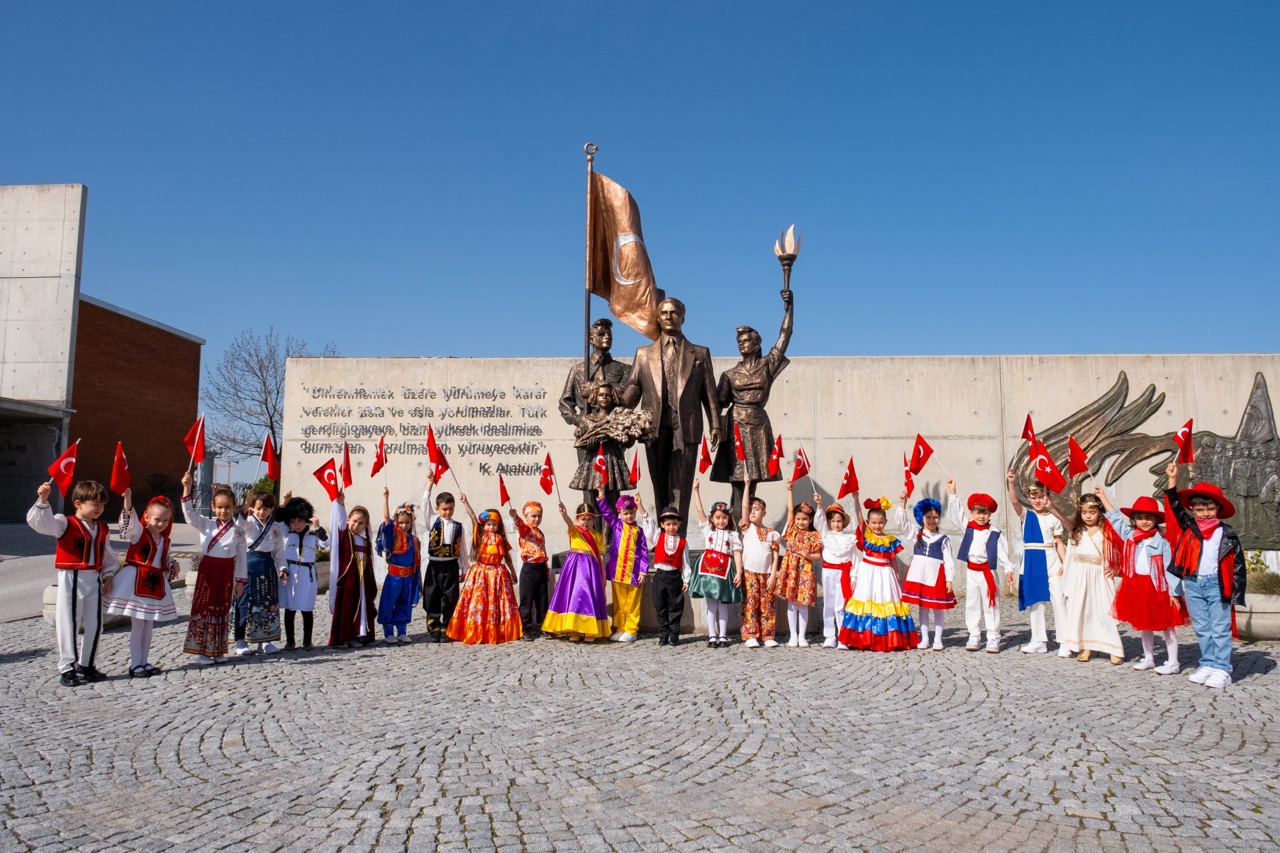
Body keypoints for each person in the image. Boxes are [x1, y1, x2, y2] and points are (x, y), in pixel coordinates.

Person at [620, 297, 720, 536]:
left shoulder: (700, 354)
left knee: (682, 483)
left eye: (674, 312)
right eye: (663, 313)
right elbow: (634, 387)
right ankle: (665, 538)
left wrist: (716, 424)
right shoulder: (643, 354)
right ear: (657, 317)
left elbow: (710, 393)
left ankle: (679, 537)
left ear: (683, 317)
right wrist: (616, 406)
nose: (668, 316)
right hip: (654, 427)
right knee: (659, 481)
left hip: (687, 425)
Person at [709, 289, 794, 520]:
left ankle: (748, 524)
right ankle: (733, 525)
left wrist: (789, 308)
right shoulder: (730, 374)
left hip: (758, 425)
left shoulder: (768, 365)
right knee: (737, 482)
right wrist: (715, 428)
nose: (742, 344)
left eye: (747, 341)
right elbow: (717, 403)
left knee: (753, 481)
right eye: (740, 341)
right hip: (736, 425)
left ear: (757, 344)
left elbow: (785, 335)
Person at [1163, 462, 1246, 690]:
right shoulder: (1189, 527)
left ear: (1217, 509)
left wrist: (1237, 594)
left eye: (1210, 509)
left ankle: (1223, 669)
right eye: (1200, 509)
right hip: (1192, 583)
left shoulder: (1226, 533)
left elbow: (1239, 566)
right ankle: (1208, 663)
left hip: (1217, 585)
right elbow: (1174, 507)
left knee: (1220, 628)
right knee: (1202, 627)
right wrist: (1172, 480)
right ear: (1193, 511)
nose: (1205, 513)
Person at [27, 479, 117, 686]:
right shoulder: (64, 522)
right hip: (71, 578)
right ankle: (67, 667)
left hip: (94, 578)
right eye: (94, 504)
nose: (99, 508)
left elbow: (108, 555)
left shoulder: (102, 528)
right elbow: (41, 523)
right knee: (69, 624)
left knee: (95, 625)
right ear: (78, 503)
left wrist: (109, 575)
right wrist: (43, 498)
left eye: (102, 504)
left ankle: (87, 665)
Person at [1097, 488, 1182, 673]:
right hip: (1137, 585)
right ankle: (1149, 657)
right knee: (1144, 624)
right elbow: (1115, 519)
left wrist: (1174, 592)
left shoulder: (1162, 541)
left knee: (1167, 625)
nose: (1144, 521)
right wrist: (1103, 497)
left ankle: (1173, 662)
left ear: (1156, 521)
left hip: (1158, 588)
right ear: (1134, 519)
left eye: (1149, 518)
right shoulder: (1130, 536)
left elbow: (1171, 568)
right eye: (1140, 517)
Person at [106, 489, 181, 677]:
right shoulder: (139, 533)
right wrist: (128, 500)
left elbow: (164, 558)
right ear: (146, 516)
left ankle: (144, 661)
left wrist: (172, 563)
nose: (161, 524)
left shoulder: (165, 539)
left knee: (148, 624)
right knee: (138, 624)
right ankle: (135, 664)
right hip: (136, 581)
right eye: (157, 519)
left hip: (153, 583)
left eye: (165, 520)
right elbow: (128, 523)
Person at [559, 317, 631, 502]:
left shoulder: (623, 370)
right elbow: (565, 404)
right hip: (587, 437)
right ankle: (591, 531)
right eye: (601, 334)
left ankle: (612, 530)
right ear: (591, 340)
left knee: (613, 489)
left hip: (613, 438)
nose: (606, 337)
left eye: (609, 334)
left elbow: (626, 400)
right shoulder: (579, 370)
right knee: (589, 492)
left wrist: (598, 389)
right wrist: (581, 422)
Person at [181, 472, 248, 665]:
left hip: (227, 573)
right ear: (213, 507)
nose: (223, 511)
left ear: (234, 507)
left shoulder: (238, 532)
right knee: (205, 609)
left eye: (227, 507)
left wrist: (240, 581)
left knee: (222, 610)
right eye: (219, 507)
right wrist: (187, 488)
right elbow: (189, 515)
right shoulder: (206, 524)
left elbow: (242, 558)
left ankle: (217, 649)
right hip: (208, 572)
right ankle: (203, 650)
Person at [838, 495, 919, 651]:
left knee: (885, 602)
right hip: (867, 573)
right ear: (868, 523)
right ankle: (860, 637)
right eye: (874, 523)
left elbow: (892, 558)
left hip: (885, 574)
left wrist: (896, 574)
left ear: (886, 523)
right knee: (865, 601)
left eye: (880, 522)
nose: (877, 526)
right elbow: (859, 515)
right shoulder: (866, 535)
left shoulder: (889, 540)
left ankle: (888, 638)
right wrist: (856, 498)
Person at [1054, 490, 1125, 665]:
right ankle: (1085, 646)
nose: (1088, 516)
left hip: (1099, 573)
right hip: (1080, 575)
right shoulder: (1077, 531)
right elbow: (1063, 520)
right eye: (1084, 512)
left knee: (1104, 611)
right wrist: (1051, 507)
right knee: (1082, 610)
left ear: (1099, 512)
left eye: (1092, 512)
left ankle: (1114, 648)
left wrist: (1116, 568)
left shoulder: (1106, 529)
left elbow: (1120, 546)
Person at [1006, 471, 1066, 655]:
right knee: (1036, 603)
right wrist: (1012, 483)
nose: (1038, 500)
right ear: (1030, 499)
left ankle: (1065, 641)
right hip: (1032, 560)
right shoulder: (1026, 515)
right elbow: (1015, 502)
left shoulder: (1054, 518)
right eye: (1034, 497)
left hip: (1052, 561)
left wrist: (1066, 563)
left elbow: (1059, 543)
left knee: (1059, 600)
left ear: (1047, 497)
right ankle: (1038, 640)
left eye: (1041, 496)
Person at [447, 500, 522, 645]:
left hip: (498, 574)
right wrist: (466, 502)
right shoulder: (480, 537)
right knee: (479, 602)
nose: (491, 527)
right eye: (488, 524)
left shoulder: (501, 539)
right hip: (481, 573)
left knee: (498, 603)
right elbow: (473, 518)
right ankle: (476, 630)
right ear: (484, 525)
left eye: (494, 524)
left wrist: (513, 572)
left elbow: (507, 557)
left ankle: (497, 630)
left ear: (498, 525)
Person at [946, 488, 1012, 653]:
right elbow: (956, 514)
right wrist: (953, 492)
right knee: (972, 604)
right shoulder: (968, 527)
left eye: (985, 513)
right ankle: (974, 635)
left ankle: (993, 638)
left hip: (987, 572)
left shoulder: (995, 533)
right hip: (972, 572)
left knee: (991, 604)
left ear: (990, 514)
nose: (981, 516)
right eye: (978, 512)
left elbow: (1002, 554)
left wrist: (1008, 570)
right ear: (972, 512)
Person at [895, 487, 957, 651]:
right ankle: (924, 639)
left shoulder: (943, 538)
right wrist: (902, 504)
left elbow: (949, 560)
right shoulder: (916, 533)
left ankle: (938, 639)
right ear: (922, 518)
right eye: (928, 517)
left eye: (935, 517)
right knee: (922, 607)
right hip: (918, 572)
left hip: (935, 574)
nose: (931, 520)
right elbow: (902, 523)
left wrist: (949, 579)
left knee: (937, 608)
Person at [542, 502, 611, 641]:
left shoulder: (597, 535)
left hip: (591, 567)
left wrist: (602, 574)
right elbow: (568, 523)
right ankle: (574, 630)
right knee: (575, 595)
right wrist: (564, 514)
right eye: (583, 519)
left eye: (589, 519)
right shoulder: (575, 530)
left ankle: (590, 631)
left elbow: (601, 556)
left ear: (593, 520)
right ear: (577, 519)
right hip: (575, 567)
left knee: (589, 596)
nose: (586, 522)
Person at [689, 479, 744, 648]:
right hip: (708, 570)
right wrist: (696, 491)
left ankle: (723, 635)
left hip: (725, 570)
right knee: (711, 604)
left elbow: (736, 553)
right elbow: (699, 510)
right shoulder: (708, 530)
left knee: (724, 605)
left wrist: (739, 572)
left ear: (729, 518)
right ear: (712, 519)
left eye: (724, 518)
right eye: (718, 518)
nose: (721, 521)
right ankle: (712, 635)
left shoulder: (733, 535)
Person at [233, 490, 283, 655]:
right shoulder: (247, 523)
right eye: (259, 508)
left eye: (266, 509)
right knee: (244, 602)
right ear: (253, 508)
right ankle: (240, 640)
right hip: (247, 566)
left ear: (272, 509)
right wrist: (245, 503)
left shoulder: (275, 528)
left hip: (267, 567)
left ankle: (265, 640)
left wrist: (282, 568)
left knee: (267, 603)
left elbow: (279, 552)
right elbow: (238, 522)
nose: (262, 512)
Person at [276, 493, 327, 651]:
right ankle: (290, 641)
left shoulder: (313, 534)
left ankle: (307, 641)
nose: (296, 524)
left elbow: (327, 543)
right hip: (290, 571)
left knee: (307, 608)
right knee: (290, 609)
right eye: (292, 521)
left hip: (307, 573)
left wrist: (318, 527)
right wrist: (283, 503)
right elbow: (277, 519)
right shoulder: (287, 533)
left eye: (299, 520)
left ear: (306, 519)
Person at [422, 471, 468, 641]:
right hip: (434, 565)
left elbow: (462, 548)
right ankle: (434, 629)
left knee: (450, 598)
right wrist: (430, 483)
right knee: (432, 596)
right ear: (437, 509)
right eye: (444, 509)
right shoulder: (432, 520)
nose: (448, 512)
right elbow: (424, 502)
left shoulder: (458, 527)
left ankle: (448, 628)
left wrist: (464, 568)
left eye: (450, 509)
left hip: (451, 565)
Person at [598, 491, 651, 643]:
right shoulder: (616, 525)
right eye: (626, 513)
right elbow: (606, 512)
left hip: (633, 573)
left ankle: (631, 629)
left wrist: (643, 571)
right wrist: (601, 494)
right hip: (617, 572)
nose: (629, 516)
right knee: (620, 602)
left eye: (632, 513)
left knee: (633, 602)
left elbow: (643, 552)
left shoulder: (639, 531)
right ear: (620, 513)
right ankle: (620, 627)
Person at [328, 490, 378, 647]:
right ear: (349, 519)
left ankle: (360, 634)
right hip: (349, 580)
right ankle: (345, 636)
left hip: (362, 581)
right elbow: (341, 523)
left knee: (362, 607)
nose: (356, 525)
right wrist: (341, 504)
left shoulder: (364, 541)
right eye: (354, 521)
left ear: (366, 525)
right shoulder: (344, 537)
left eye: (361, 523)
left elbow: (368, 562)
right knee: (348, 607)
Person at [776, 481, 821, 647]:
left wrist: (808, 555)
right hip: (790, 568)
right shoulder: (791, 530)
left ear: (810, 520)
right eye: (799, 518)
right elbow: (789, 511)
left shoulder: (814, 535)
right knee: (791, 603)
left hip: (805, 569)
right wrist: (790, 491)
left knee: (803, 603)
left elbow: (818, 556)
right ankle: (792, 635)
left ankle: (802, 635)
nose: (801, 522)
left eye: (805, 519)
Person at [738, 481, 781, 648]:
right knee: (751, 603)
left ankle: (768, 635)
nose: (752, 512)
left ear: (764, 512)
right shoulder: (747, 528)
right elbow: (743, 508)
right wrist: (747, 486)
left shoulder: (771, 533)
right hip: (749, 572)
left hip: (766, 574)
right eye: (750, 509)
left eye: (756, 509)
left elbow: (775, 555)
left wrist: (773, 575)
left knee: (767, 604)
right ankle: (750, 634)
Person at [641, 505, 691, 646]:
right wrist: (641, 508)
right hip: (660, 576)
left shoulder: (682, 542)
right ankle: (663, 635)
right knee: (660, 606)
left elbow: (685, 561)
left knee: (675, 606)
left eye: (674, 524)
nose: (671, 527)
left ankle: (674, 635)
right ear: (662, 525)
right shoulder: (658, 537)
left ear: (679, 524)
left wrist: (686, 580)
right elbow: (649, 528)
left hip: (675, 577)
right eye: (668, 524)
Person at [376, 490, 421, 644]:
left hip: (408, 578)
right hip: (394, 577)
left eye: (407, 523)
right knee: (389, 603)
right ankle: (389, 632)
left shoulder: (414, 540)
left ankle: (402, 631)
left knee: (404, 603)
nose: (404, 525)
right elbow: (386, 518)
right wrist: (386, 498)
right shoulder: (393, 535)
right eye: (401, 522)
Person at [812, 494, 857, 649]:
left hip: (843, 573)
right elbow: (819, 522)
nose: (836, 524)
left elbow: (854, 559)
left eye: (839, 521)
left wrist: (853, 577)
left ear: (843, 522)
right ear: (829, 522)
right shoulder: (825, 535)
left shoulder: (850, 538)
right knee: (828, 603)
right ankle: (830, 635)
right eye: (833, 521)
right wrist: (819, 505)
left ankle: (843, 636)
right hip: (828, 572)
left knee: (841, 604)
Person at [509, 500, 550, 641]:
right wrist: (515, 517)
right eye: (533, 516)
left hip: (541, 568)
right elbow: (519, 525)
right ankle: (526, 628)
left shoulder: (540, 533)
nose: (536, 519)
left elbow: (543, 550)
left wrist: (546, 569)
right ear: (526, 516)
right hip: (529, 569)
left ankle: (542, 625)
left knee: (542, 599)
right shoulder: (525, 529)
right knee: (527, 599)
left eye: (539, 516)